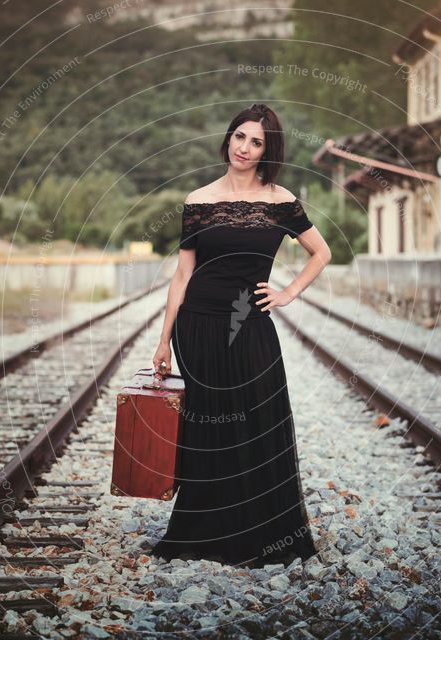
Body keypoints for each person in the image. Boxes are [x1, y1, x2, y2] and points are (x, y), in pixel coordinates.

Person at [150, 103, 332, 568]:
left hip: (251, 325)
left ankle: (261, 533)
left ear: (267, 151)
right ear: (228, 138)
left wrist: (288, 292)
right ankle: (205, 533)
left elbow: (321, 252)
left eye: (256, 142)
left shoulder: (280, 200)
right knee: (209, 427)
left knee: (255, 420)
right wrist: (164, 339)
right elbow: (182, 275)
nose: (245, 148)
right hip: (197, 325)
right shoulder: (197, 200)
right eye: (240, 137)